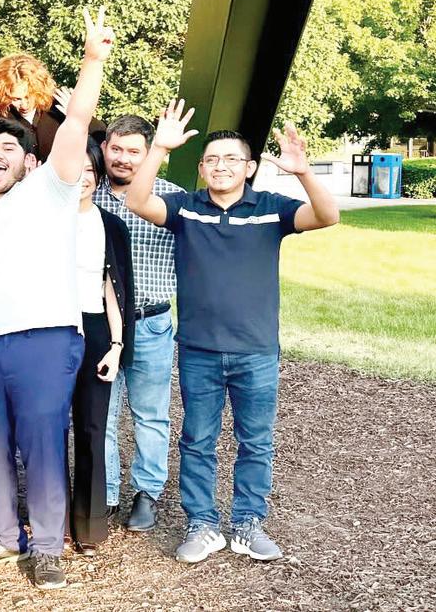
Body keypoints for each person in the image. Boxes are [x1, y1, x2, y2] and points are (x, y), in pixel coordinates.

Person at [0, 8, 115, 591]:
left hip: (45, 340)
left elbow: (78, 119)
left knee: (41, 443)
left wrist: (91, 61)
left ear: (30, 159)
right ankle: (4, 536)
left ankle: (46, 547)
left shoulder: (50, 192)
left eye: (7, 149)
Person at [125, 104, 339, 564]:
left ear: (250, 167)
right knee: (197, 441)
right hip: (198, 350)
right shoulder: (186, 208)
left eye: (231, 159)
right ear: (202, 169)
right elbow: (138, 202)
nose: (221, 166)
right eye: (212, 160)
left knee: (256, 441)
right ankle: (202, 524)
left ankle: (247, 523)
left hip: (256, 351)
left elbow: (327, 216)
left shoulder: (271, 209)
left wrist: (304, 173)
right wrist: (158, 148)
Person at [93, 115, 185, 533]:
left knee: (149, 414)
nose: (123, 158)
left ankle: (146, 492)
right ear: (104, 148)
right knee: (102, 412)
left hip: (150, 321)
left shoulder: (171, 198)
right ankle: (107, 492)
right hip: (99, 322)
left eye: (134, 152)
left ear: (150, 155)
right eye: (116, 149)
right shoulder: (88, 194)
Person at [68, 138, 135, 556]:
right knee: (51, 429)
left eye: (90, 171)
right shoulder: (44, 220)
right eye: (75, 170)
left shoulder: (111, 225)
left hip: (95, 331)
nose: (83, 178)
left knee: (93, 428)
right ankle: (53, 518)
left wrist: (116, 344)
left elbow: (115, 289)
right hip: (51, 329)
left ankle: (89, 525)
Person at [0, 54, 106, 162]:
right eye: (16, 99)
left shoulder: (58, 106)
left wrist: (79, 118)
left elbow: (102, 136)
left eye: (29, 96)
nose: (24, 104)